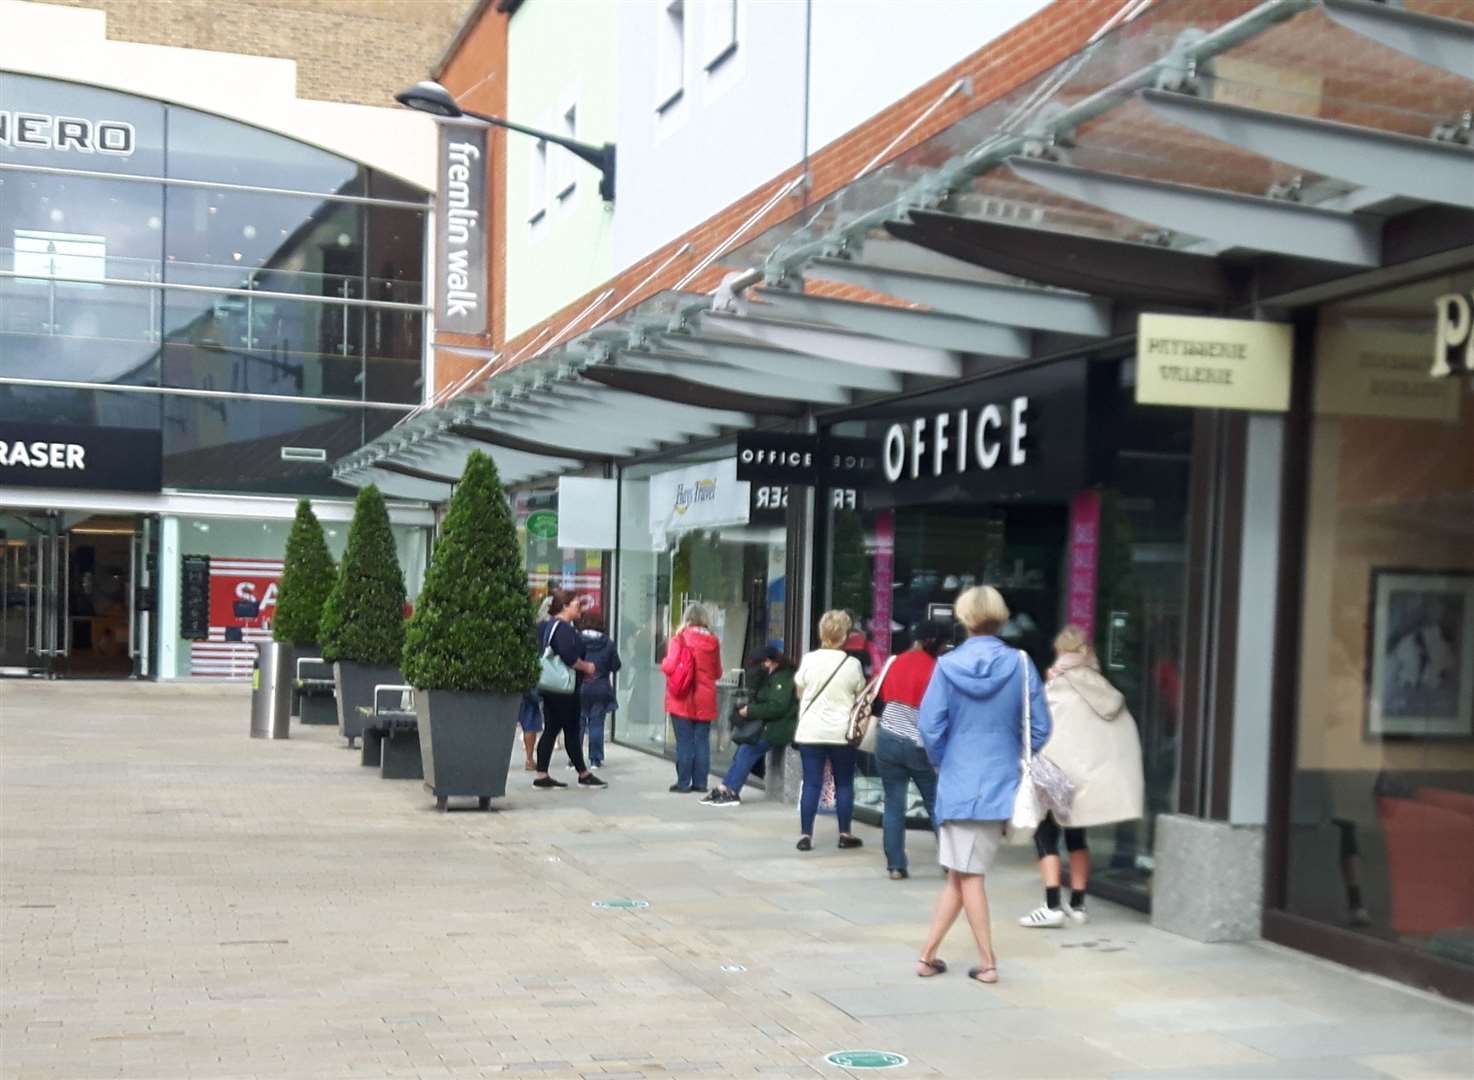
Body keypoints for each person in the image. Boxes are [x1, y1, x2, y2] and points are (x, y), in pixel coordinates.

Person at [915, 586, 1050, 985]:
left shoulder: (946, 666)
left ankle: (969, 961)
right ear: (1001, 617)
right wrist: (1012, 754)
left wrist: (946, 760)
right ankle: (939, 957)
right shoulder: (1021, 664)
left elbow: (929, 726)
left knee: (965, 873)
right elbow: (1039, 728)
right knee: (964, 873)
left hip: (959, 780)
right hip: (998, 780)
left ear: (963, 618)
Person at [1018, 625, 1144, 928]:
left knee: (1045, 834)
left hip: (1057, 777)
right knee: (1077, 837)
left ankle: (1051, 905)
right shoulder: (1105, 690)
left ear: (1061, 652)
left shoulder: (1054, 689)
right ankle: (1078, 904)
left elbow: (1038, 731)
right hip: (1089, 780)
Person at [875, 621, 948, 880]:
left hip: (887, 737)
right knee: (935, 802)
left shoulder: (895, 661)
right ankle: (951, 862)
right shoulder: (938, 669)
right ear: (936, 642)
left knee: (893, 803)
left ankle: (896, 865)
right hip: (919, 744)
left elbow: (883, 697)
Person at [792, 610, 868, 851]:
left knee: (812, 782)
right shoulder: (852, 664)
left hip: (811, 731)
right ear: (844, 636)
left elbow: (799, 692)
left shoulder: (809, 659)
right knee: (844, 783)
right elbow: (859, 694)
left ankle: (805, 835)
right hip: (840, 733)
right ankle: (845, 833)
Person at [701, 647, 797, 806]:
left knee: (748, 749)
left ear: (769, 661)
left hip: (780, 727)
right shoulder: (771, 676)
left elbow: (777, 706)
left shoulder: (783, 678)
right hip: (769, 725)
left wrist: (750, 711)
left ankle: (732, 790)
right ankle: (726, 787)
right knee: (743, 749)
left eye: (760, 664)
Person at [534, 591, 606, 789]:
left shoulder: (548, 626)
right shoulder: (563, 629)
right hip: (564, 689)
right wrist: (586, 667)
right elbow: (568, 656)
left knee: (551, 729)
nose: (580, 607)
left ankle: (542, 775)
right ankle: (583, 773)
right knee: (572, 730)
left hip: (551, 687)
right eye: (576, 604)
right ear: (565, 606)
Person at [660, 602, 723, 793]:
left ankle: (683, 782)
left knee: (685, 741)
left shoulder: (679, 639)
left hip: (682, 697)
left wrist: (663, 662)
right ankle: (700, 783)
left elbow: (670, 666)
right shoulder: (713, 642)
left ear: (686, 618)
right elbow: (718, 672)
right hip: (705, 697)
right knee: (702, 741)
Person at [577, 612, 621, 769]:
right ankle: (595, 759)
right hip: (600, 686)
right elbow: (616, 665)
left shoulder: (577, 640)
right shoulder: (608, 643)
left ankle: (574, 758)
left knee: (578, 723)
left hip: (580, 686)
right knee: (596, 724)